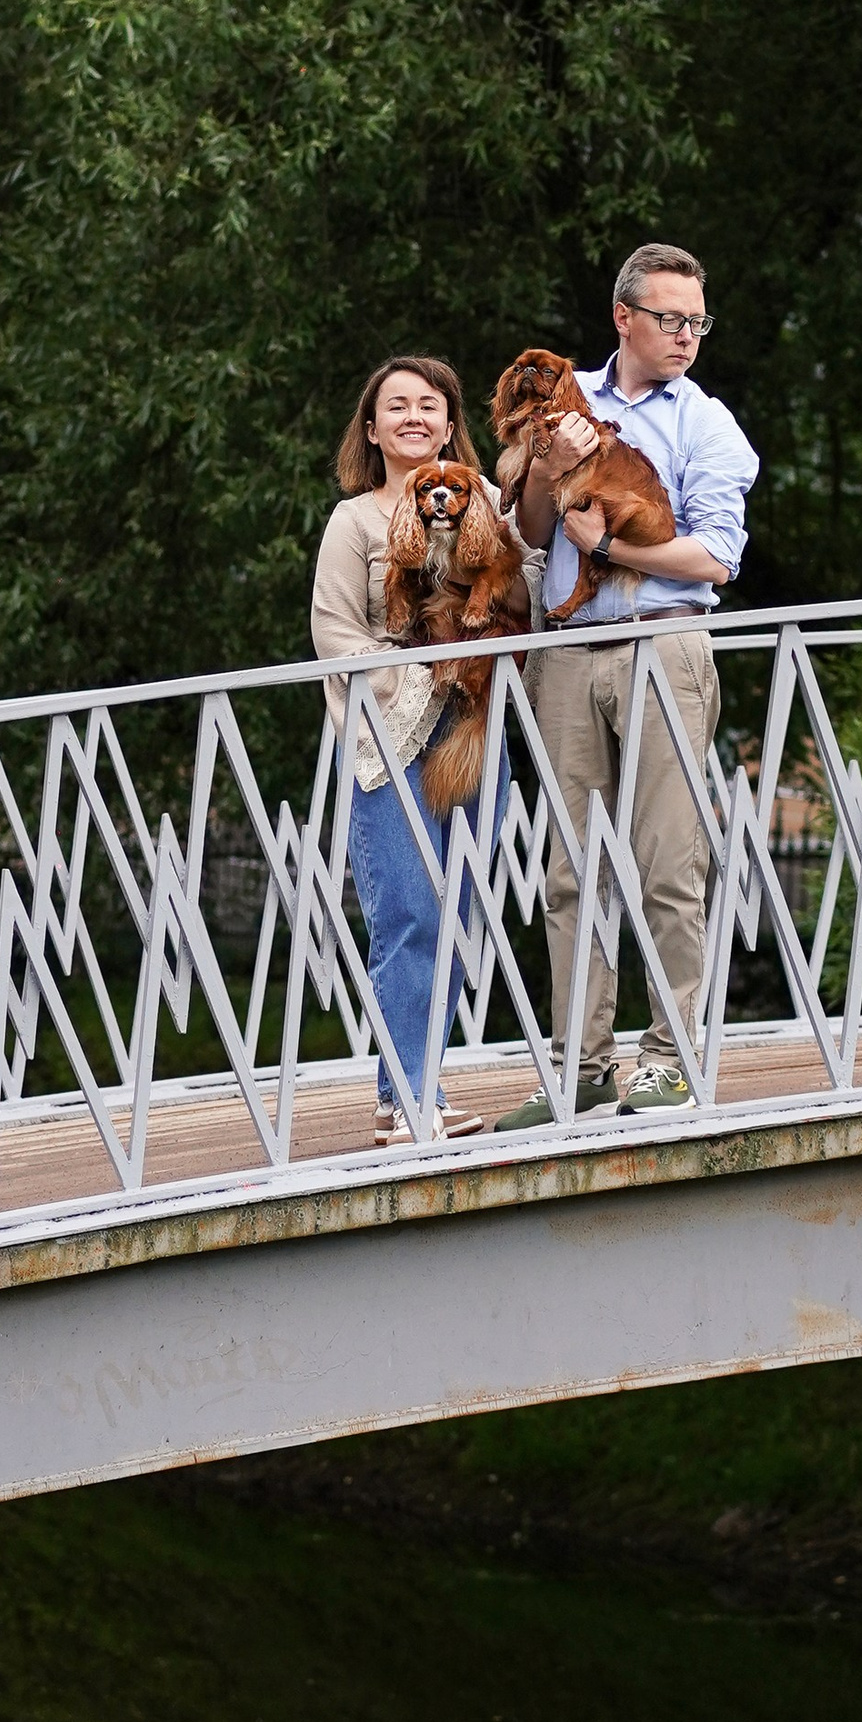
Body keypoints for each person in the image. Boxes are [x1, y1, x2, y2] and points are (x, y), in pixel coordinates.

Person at [494, 245, 757, 1124]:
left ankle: (667, 1056)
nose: (687, 335)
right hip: (566, 648)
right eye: (671, 318)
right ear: (624, 318)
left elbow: (714, 557)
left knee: (667, 861)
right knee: (569, 870)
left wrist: (608, 548)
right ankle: (577, 1064)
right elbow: (531, 534)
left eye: (697, 320)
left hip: (664, 642)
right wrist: (539, 466)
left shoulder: (707, 424)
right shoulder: (563, 398)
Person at [309, 354, 495, 1147]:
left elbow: (515, 587)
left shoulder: (482, 503)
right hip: (391, 733)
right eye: (397, 405)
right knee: (409, 912)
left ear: (451, 425)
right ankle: (415, 1096)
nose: (414, 416)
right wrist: (415, 672)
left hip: (475, 722)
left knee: (460, 911)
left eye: (430, 404)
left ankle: (405, 1096)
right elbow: (333, 632)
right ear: (374, 427)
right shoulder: (354, 522)